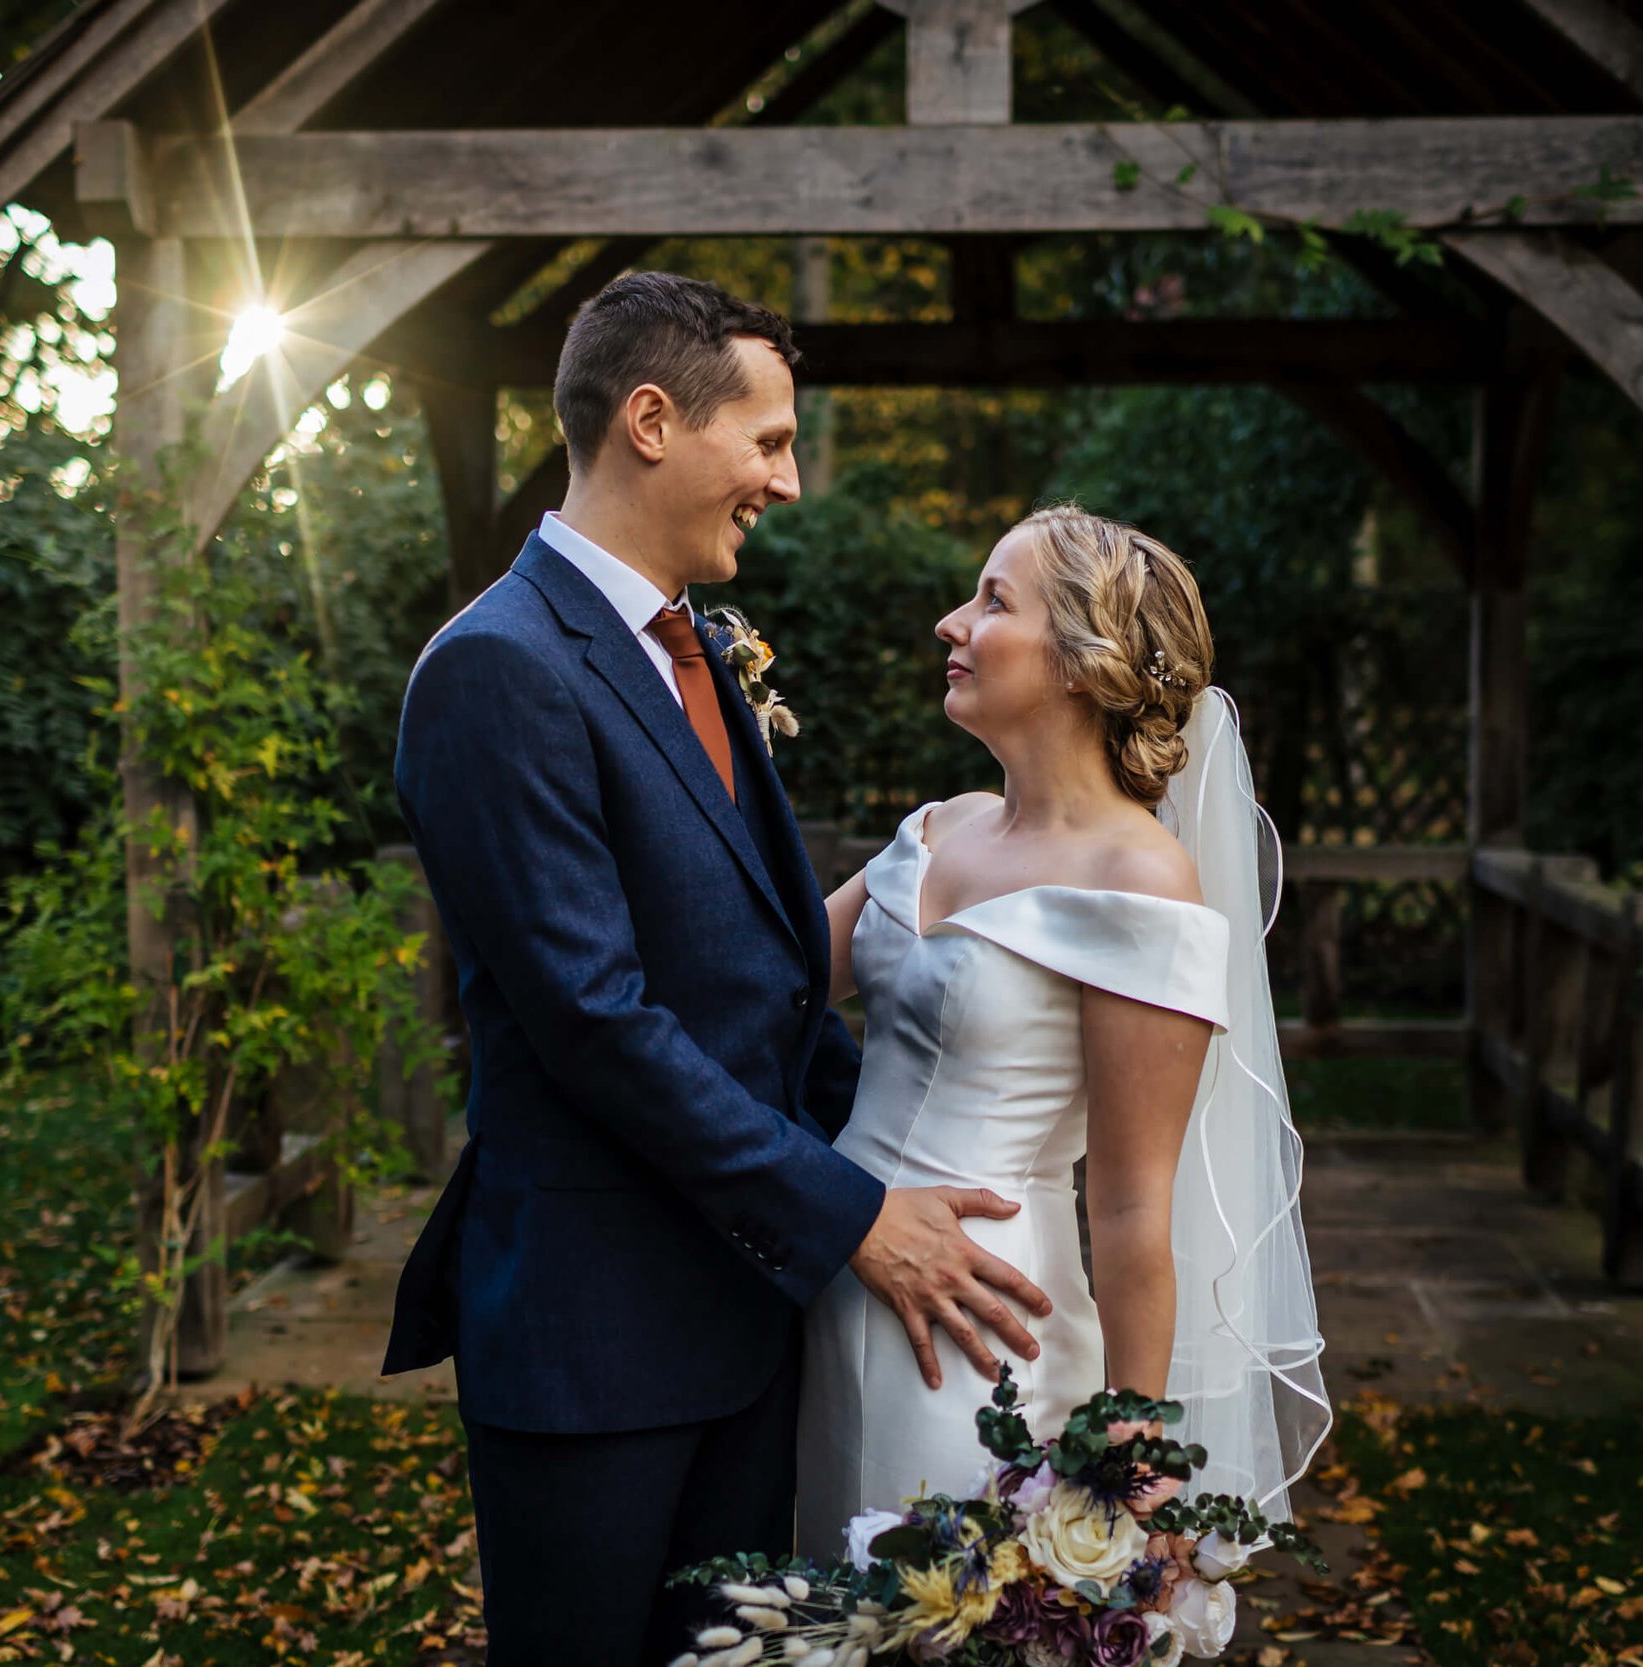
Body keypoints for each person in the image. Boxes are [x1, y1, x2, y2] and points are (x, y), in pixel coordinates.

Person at [381, 271, 1054, 1666]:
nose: (788, 481)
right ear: (648, 420)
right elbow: (595, 1018)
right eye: (768, 440)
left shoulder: (697, 649)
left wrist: (913, 1126)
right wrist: (853, 1210)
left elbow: (758, 976)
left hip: (748, 1315)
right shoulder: (498, 668)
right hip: (597, 1334)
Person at [794, 504, 1330, 1557]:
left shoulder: (1138, 878)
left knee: (940, 1601)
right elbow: (759, 989)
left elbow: (1134, 1206)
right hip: (832, 1270)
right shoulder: (933, 828)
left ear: (1083, 663)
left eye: (992, 600)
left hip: (980, 1327)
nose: (951, 623)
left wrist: (1132, 1444)